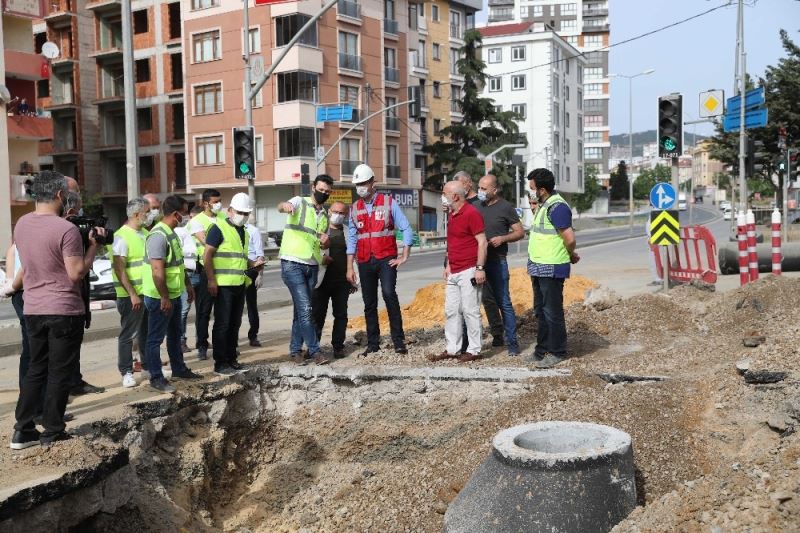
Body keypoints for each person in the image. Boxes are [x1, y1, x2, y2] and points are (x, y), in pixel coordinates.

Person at [10, 171, 104, 449]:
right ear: (61, 195)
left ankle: (23, 430)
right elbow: (75, 273)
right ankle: (52, 429)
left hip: (33, 309)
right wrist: (93, 249)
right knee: (59, 371)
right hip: (63, 309)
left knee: (35, 369)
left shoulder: (22, 224)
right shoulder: (65, 230)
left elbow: (28, 263)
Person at [346, 164, 412, 356]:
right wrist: (350, 267)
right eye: (357, 184)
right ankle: (373, 343)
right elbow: (352, 239)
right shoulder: (354, 209)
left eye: (363, 183)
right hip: (365, 260)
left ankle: (398, 341)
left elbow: (406, 228)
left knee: (389, 293)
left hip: (386, 258)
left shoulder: (388, 202)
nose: (360, 187)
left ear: (372, 182)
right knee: (369, 303)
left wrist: (405, 254)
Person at [141, 195, 201, 393]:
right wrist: (164, 297)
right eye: (183, 213)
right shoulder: (158, 235)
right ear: (176, 214)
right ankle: (156, 377)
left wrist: (187, 285)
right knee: (155, 339)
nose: (185, 217)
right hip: (159, 297)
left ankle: (179, 368)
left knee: (175, 335)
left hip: (174, 293)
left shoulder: (172, 233)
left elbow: (178, 264)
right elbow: (157, 271)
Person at [204, 193, 265, 375]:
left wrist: (253, 264)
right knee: (222, 324)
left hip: (239, 283)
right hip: (223, 285)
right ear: (230, 210)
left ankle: (232, 359)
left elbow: (240, 257)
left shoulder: (244, 232)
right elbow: (207, 256)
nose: (243, 216)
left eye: (246, 213)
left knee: (234, 323)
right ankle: (220, 363)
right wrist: (211, 280)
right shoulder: (218, 228)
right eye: (240, 212)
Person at [525, 168, 580, 369]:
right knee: (541, 310)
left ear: (542, 189)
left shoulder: (557, 207)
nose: (530, 191)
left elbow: (569, 238)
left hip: (552, 267)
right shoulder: (545, 205)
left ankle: (557, 351)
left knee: (552, 312)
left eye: (532, 188)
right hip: (539, 266)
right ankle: (542, 350)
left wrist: (570, 254)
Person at [428, 180, 487, 363]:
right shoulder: (452, 214)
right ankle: (453, 348)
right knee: (451, 310)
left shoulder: (471, 213)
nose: (442, 197)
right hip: (454, 270)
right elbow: (453, 243)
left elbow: (482, 242)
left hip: (469, 270)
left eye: (444, 193)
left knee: (470, 310)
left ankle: (474, 350)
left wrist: (479, 268)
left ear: (455, 196)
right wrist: (448, 266)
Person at [278, 175, 332, 365]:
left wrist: (325, 244)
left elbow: (320, 242)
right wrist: (284, 206)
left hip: (312, 266)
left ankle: (294, 351)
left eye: (327, 192)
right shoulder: (299, 202)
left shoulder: (325, 215)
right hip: (292, 263)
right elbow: (282, 205)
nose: (323, 193)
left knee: (301, 311)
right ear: (313, 187)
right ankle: (315, 351)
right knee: (306, 310)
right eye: (321, 189)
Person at [454, 170, 505, 348]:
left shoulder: (479, 203)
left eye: (460, 184)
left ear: (468, 184)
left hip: (485, 257)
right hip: (465, 259)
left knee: (488, 298)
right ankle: (466, 339)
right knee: (465, 302)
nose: (458, 189)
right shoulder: (460, 203)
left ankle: (497, 332)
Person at [475, 174, 525, 355]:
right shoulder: (475, 206)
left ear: (494, 190)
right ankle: (496, 336)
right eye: (479, 187)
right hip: (478, 263)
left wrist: (503, 238)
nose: (480, 192)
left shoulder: (506, 208)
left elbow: (520, 232)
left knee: (504, 302)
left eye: (484, 189)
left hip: (497, 262)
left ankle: (512, 344)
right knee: (486, 302)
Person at [111, 197, 150, 388]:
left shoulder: (143, 233)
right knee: (128, 334)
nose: (149, 215)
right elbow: (120, 269)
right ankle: (126, 371)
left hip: (147, 292)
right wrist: (132, 293)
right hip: (130, 295)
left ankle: (147, 367)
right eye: (147, 212)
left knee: (145, 333)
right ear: (136, 214)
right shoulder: (121, 236)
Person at [312, 200, 354, 358]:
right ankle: (314, 347)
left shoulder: (349, 232)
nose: (337, 215)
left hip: (341, 282)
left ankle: (338, 346)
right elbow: (310, 250)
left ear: (346, 215)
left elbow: (352, 257)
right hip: (321, 281)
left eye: (341, 213)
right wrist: (322, 258)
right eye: (335, 211)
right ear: (329, 212)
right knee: (317, 315)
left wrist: (352, 280)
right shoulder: (320, 230)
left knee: (341, 315)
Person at [189, 189, 223, 360]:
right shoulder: (197, 221)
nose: (218, 204)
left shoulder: (223, 218)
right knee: (204, 310)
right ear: (205, 203)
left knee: (223, 311)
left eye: (219, 201)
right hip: (206, 269)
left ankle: (221, 345)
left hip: (224, 270)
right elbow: (206, 241)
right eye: (215, 201)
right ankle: (202, 345)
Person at [175, 202, 200, 353]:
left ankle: (201, 339)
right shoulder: (181, 232)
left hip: (199, 272)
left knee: (202, 310)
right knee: (184, 310)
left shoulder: (201, 232)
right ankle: (181, 340)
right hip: (188, 274)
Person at [244, 214, 265, 347]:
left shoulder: (253, 230)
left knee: (251, 304)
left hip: (251, 270)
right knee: (233, 306)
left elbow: (260, 255)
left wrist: (260, 275)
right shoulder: (229, 229)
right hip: (235, 270)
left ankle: (253, 335)